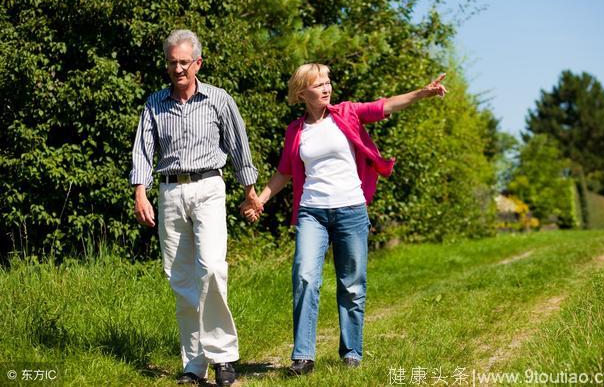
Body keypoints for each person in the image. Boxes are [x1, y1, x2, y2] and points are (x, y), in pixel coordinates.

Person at [242, 63, 446, 375]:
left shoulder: (347, 113)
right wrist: (260, 200)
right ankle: (303, 357)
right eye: (318, 84)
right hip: (312, 212)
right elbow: (284, 171)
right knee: (305, 276)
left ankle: (351, 352)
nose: (326, 88)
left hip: (350, 208)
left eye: (327, 82)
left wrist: (423, 93)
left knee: (351, 284)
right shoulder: (296, 130)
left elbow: (384, 106)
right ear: (301, 93)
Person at [130, 29, 263, 386]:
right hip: (170, 192)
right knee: (181, 280)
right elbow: (143, 152)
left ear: (198, 63)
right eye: (172, 62)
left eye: (184, 62)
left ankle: (223, 357)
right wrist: (140, 193)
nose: (178, 69)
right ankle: (194, 364)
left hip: (208, 186)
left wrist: (250, 191)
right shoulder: (154, 103)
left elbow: (239, 147)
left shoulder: (219, 99)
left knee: (213, 269)